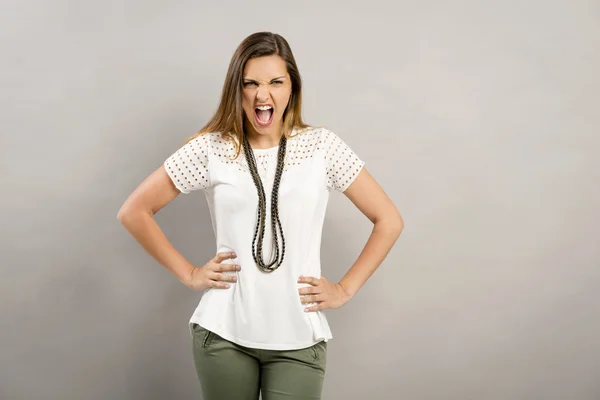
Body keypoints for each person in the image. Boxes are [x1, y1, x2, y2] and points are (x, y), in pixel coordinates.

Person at [117, 31, 404, 400]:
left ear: (292, 88)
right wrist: (190, 273)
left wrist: (346, 288)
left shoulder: (322, 147)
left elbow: (389, 220)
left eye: (275, 82)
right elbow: (134, 211)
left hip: (298, 337)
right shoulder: (212, 149)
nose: (262, 94)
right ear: (236, 89)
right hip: (224, 334)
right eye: (250, 83)